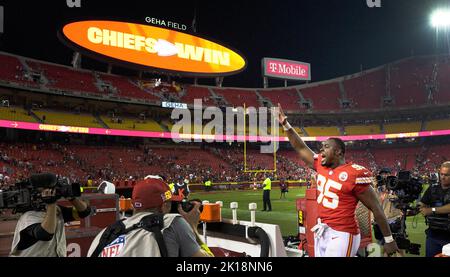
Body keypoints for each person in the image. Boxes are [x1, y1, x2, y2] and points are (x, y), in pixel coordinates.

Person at [276, 104, 399, 257]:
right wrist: (285, 124)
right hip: (323, 229)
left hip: (343, 234)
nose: (321, 150)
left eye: (326, 147)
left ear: (338, 152)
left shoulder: (353, 174)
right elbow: (301, 148)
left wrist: (388, 239)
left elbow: (376, 208)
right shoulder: (321, 165)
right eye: (321, 147)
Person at [87, 176, 213, 257]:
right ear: (165, 206)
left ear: (133, 206)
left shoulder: (105, 233)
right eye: (170, 204)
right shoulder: (173, 223)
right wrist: (192, 226)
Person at [10, 175, 91, 257]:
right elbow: (45, 234)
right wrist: (51, 203)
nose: (53, 191)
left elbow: (84, 212)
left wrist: (72, 198)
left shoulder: (56, 210)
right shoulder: (28, 217)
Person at [419, 161, 450, 257]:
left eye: (446, 175)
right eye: (441, 174)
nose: (443, 177)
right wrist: (418, 208)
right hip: (433, 236)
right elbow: (422, 204)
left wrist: (431, 210)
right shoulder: (432, 188)